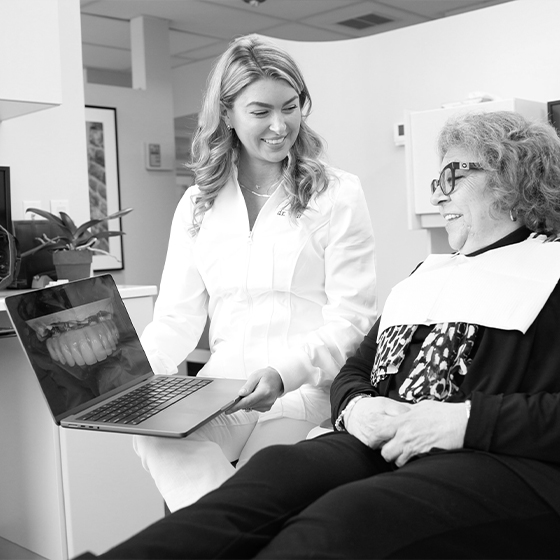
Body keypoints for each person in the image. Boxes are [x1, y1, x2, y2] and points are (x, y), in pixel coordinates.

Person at [88, 110, 560, 559]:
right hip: (373, 441)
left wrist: (459, 421)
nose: (438, 196)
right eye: (437, 182)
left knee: (342, 518)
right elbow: (358, 366)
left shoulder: (551, 271)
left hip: (484, 452)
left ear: (511, 175)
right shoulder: (426, 276)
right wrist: (356, 405)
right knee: (262, 485)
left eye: (452, 177)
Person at [134, 34, 377, 512]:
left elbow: (353, 322)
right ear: (227, 114)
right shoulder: (197, 203)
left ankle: (215, 522)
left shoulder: (337, 194)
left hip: (299, 392)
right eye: (260, 111)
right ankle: (220, 522)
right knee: (149, 434)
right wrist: (127, 377)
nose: (279, 125)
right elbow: (175, 320)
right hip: (219, 392)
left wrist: (282, 374)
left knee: (259, 483)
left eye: (290, 106)